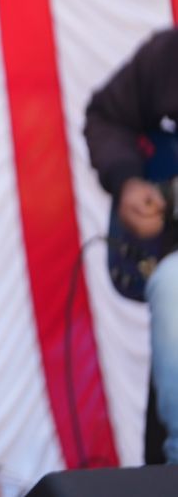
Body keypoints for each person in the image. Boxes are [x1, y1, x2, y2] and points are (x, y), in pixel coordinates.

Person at [84, 28, 178, 463]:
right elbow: (106, 115)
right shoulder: (168, 54)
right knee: (172, 283)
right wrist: (127, 182)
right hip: (169, 255)